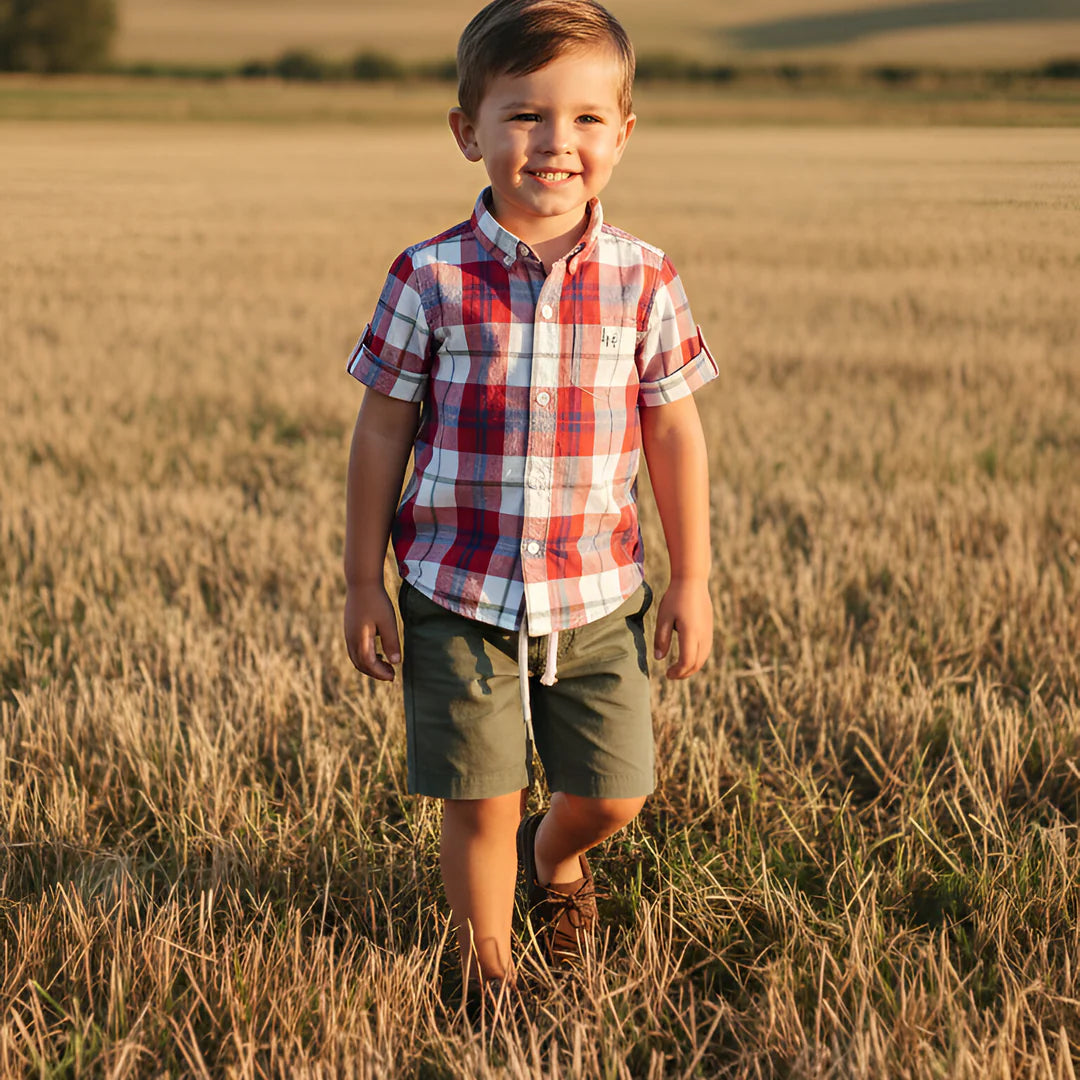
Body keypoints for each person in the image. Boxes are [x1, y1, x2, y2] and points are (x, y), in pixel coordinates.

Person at [342, 0, 717, 1010]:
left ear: (624, 135)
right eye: (525, 116)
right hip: (456, 593)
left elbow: (674, 433)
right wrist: (361, 585)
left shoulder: (646, 280)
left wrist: (694, 580)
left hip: (598, 597)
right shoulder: (428, 277)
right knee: (479, 794)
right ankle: (487, 972)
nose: (557, 144)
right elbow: (381, 431)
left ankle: (554, 861)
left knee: (614, 791)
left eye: (588, 119)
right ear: (470, 130)